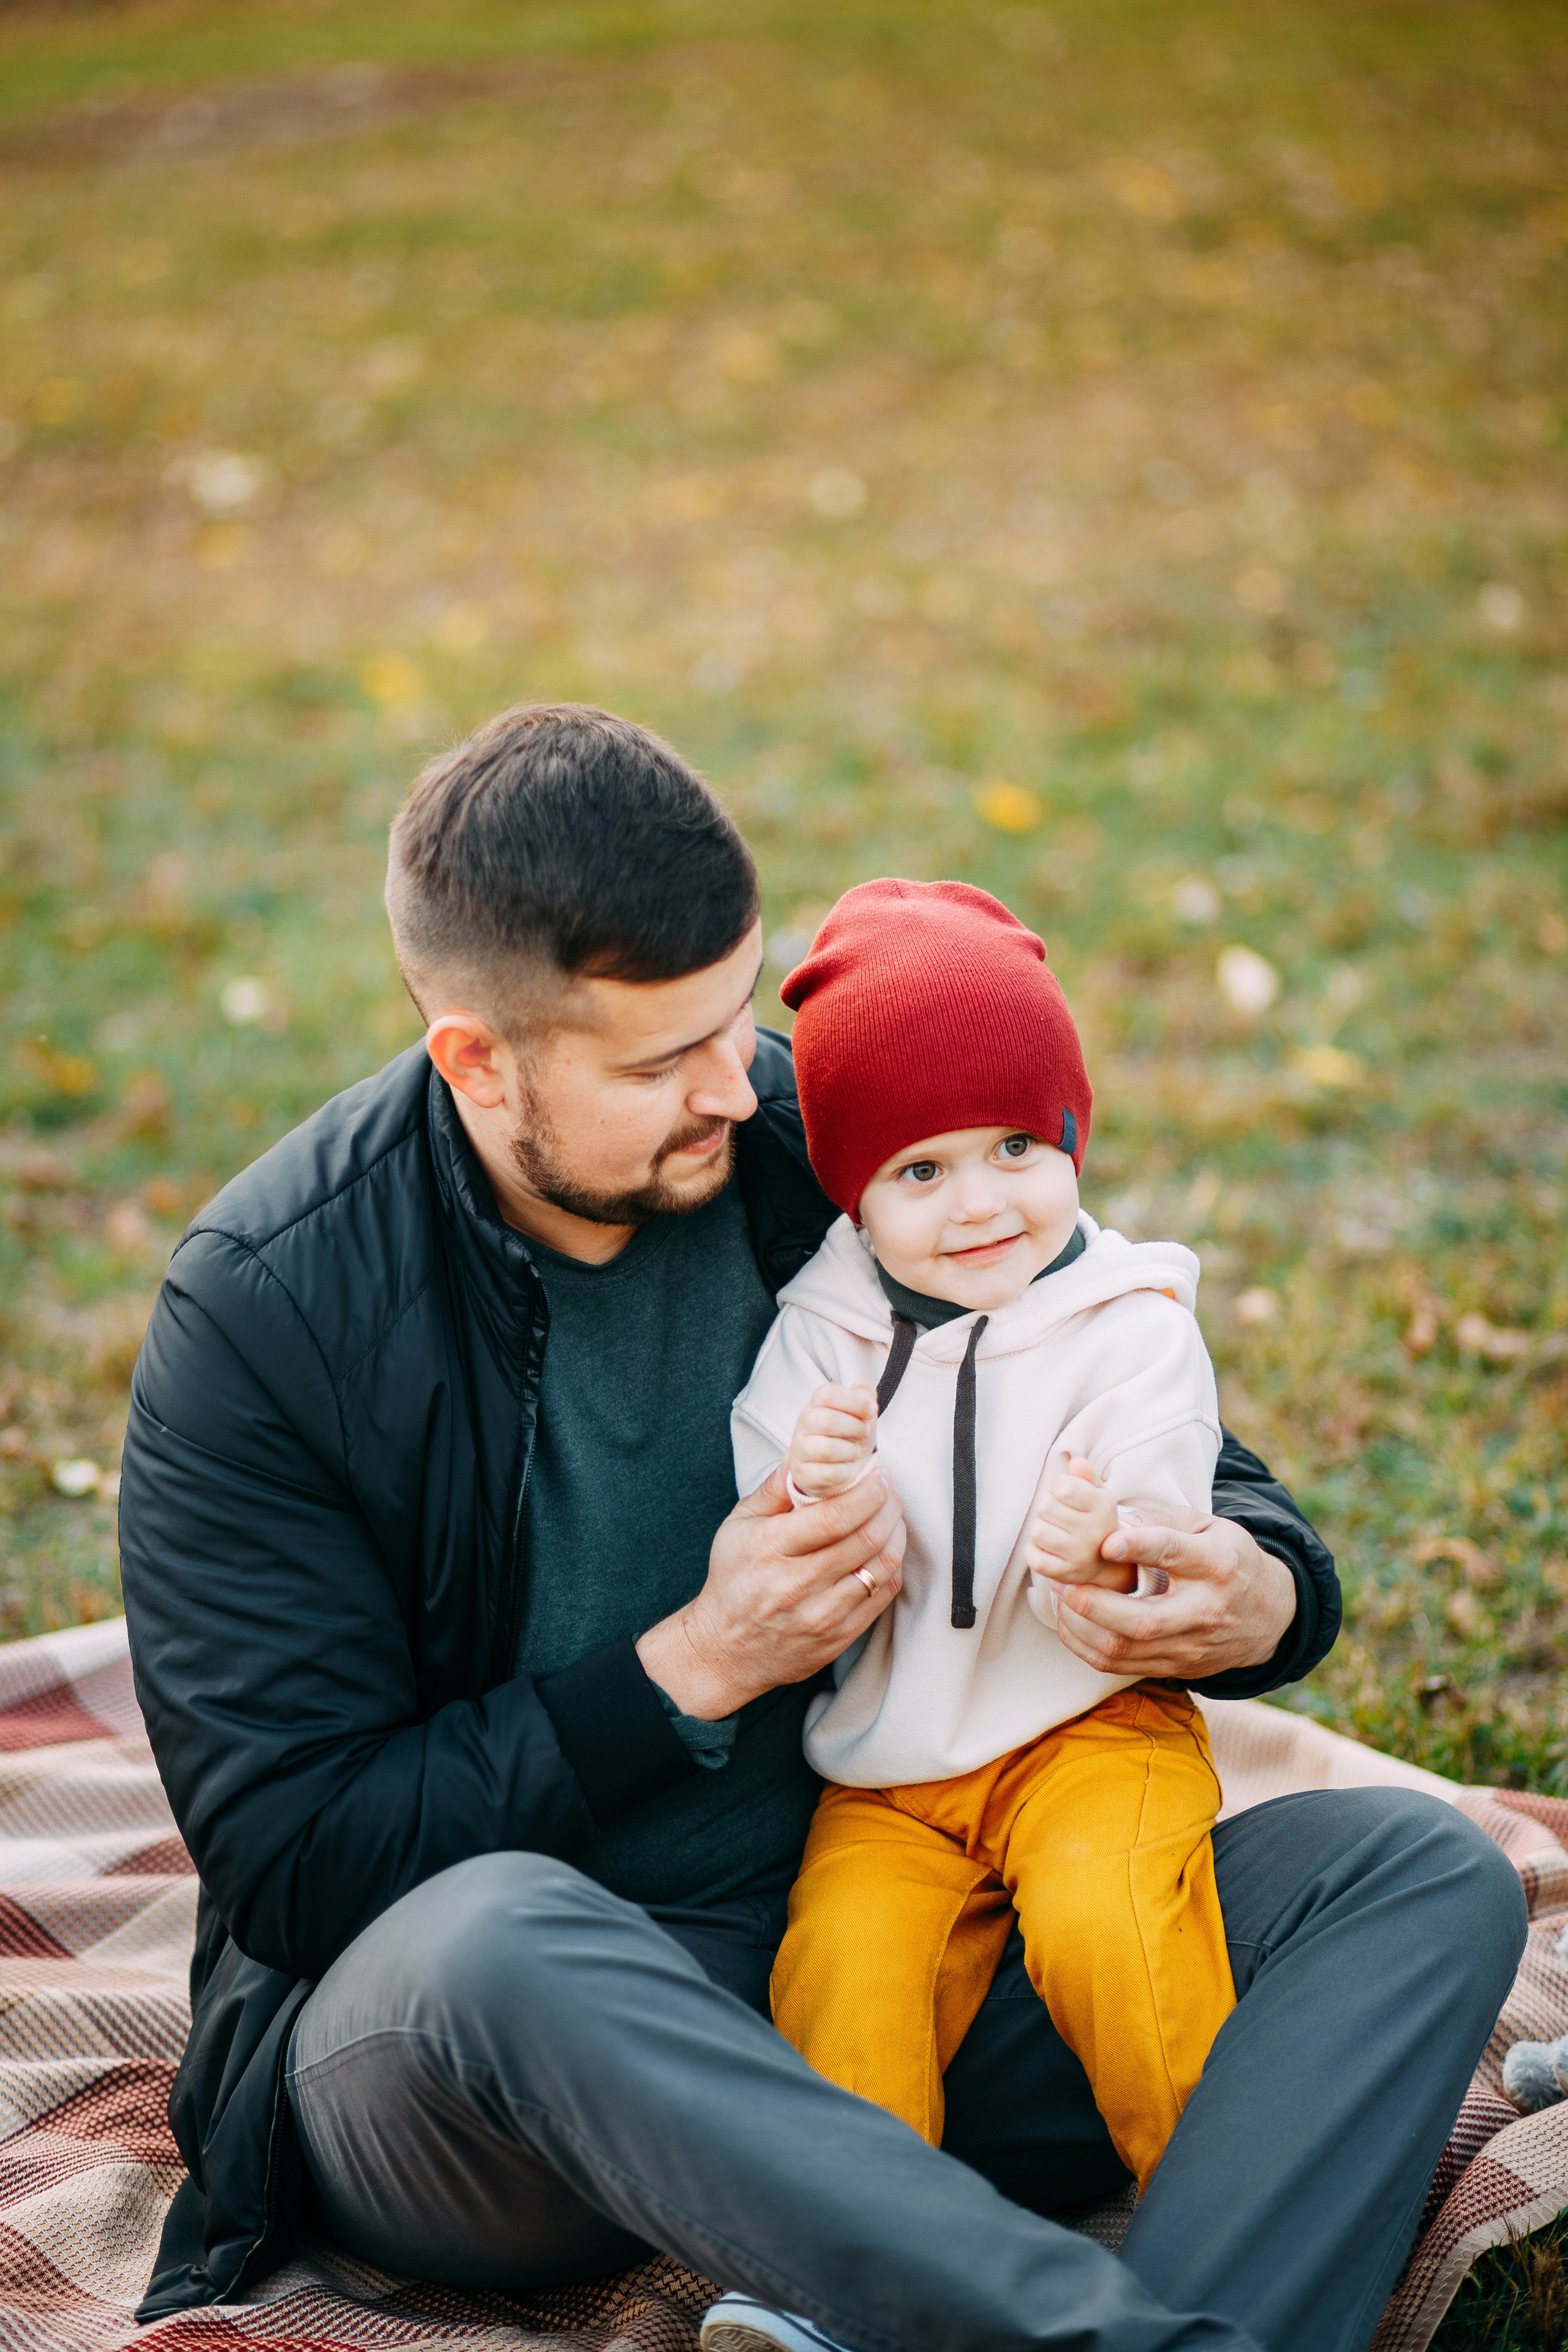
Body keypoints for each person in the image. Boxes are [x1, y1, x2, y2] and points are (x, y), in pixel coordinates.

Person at [118, 704, 1525, 2352]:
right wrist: (690, 1669)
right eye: (659, 1064)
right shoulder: (272, 1312)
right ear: (478, 1062)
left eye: (739, 1015)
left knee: (1417, 1878)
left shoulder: (805, 1131)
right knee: (503, 1940)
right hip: (496, 2071)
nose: (740, 1086)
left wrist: (1256, 1590)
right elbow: (301, 1862)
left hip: (881, 1963)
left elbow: (1139, 1392)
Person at [731, 878, 1233, 2211]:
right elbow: (766, 1519)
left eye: (1017, 1145)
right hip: (888, 1770)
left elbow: (1170, 1496)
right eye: (919, 1170)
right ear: (852, 1195)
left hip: (1088, 1727)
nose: (980, 1205)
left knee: (1115, 1927)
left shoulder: (1127, 1318)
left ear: (1071, 1130)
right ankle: (852, 2269)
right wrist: (811, 1484)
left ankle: (1229, 2209)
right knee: (842, 1967)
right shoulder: (823, 1330)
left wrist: (1111, 1535)